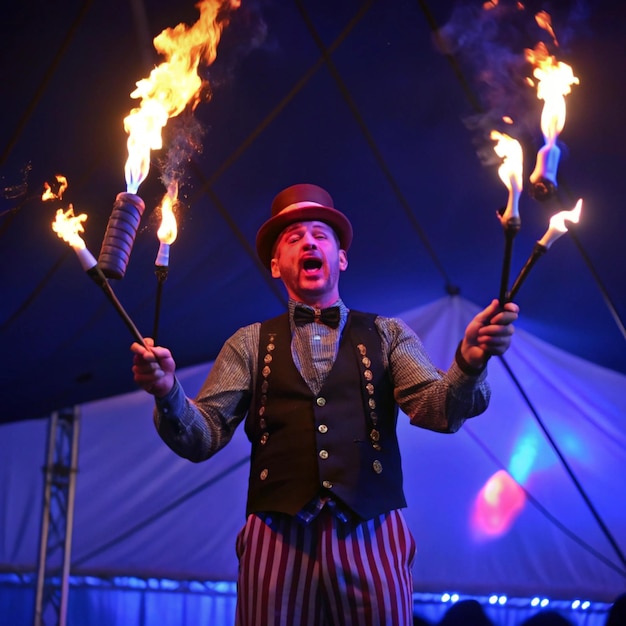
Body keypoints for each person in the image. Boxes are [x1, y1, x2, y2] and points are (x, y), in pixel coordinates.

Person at [131, 183, 519, 626]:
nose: (309, 242)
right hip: (276, 531)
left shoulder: (389, 334)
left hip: (371, 528)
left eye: (320, 234)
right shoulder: (248, 343)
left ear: (342, 258)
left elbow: (438, 410)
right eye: (293, 238)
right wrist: (168, 393)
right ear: (276, 266)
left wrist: (468, 364)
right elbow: (203, 435)